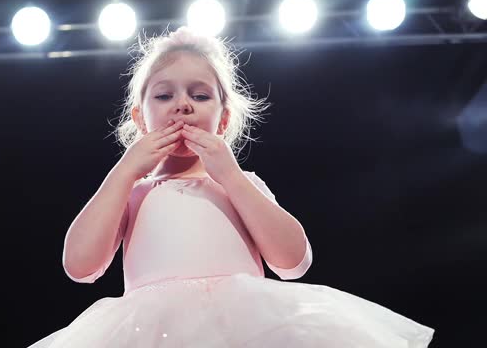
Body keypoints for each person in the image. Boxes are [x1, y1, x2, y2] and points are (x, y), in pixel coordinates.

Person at [27, 26, 435, 347]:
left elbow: (293, 262)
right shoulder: (133, 194)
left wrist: (232, 176)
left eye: (200, 95)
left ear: (223, 120)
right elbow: (79, 266)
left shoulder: (240, 186)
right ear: (139, 117)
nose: (182, 104)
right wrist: (124, 171)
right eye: (165, 94)